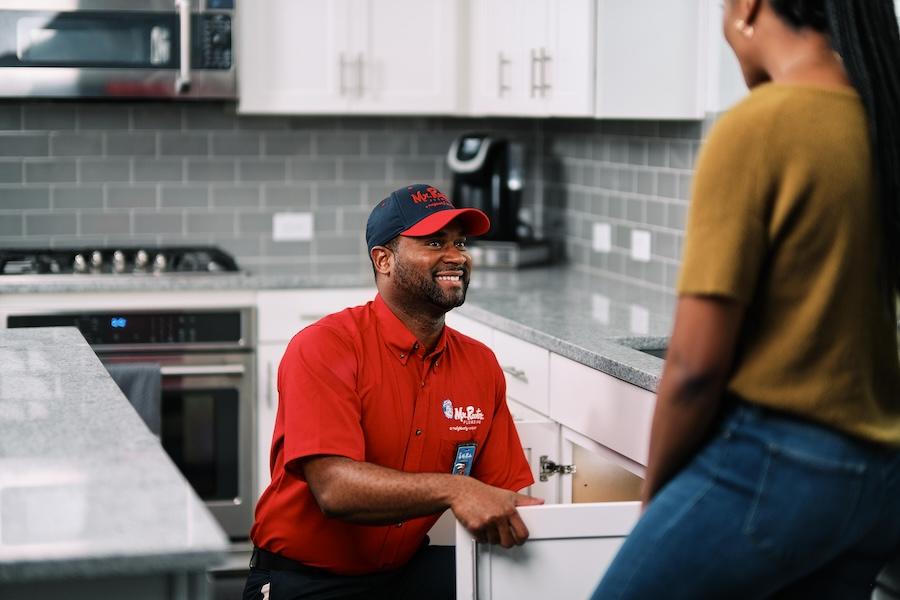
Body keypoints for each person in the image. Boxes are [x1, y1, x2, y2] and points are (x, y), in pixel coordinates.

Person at [593, 0, 900, 598]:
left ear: (748, 6)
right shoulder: (880, 119)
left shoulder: (759, 125)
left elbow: (693, 367)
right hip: (876, 483)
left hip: (776, 467)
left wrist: (657, 503)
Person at [244, 183, 541, 600]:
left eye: (461, 243)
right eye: (435, 242)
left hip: (404, 572)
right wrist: (456, 488)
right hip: (307, 578)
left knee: (530, 581)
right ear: (383, 259)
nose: (457, 256)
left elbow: (502, 494)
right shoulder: (325, 347)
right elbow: (334, 489)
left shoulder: (480, 364)